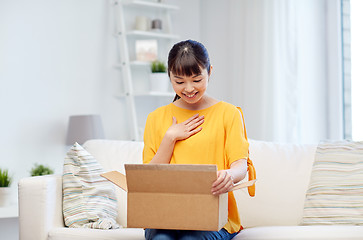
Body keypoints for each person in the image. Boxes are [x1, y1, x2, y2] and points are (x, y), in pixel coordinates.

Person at [143, 40, 251, 240]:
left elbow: (240, 166)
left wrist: (228, 174)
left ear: (210, 72)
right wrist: (170, 137)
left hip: (213, 217)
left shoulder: (229, 114)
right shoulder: (156, 118)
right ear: (169, 77)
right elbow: (149, 179)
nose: (189, 88)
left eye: (196, 79)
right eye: (180, 81)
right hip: (164, 216)